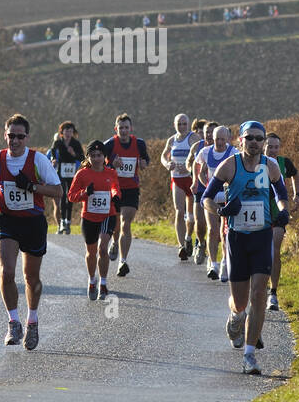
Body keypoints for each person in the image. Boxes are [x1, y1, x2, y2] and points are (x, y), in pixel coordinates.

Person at [202, 120, 289, 375]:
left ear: (264, 142)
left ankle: (249, 355)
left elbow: (282, 196)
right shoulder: (229, 165)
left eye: (259, 138)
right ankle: (236, 317)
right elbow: (205, 197)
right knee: (240, 302)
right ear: (240, 140)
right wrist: (220, 210)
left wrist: (283, 212)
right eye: (249, 137)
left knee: (259, 293)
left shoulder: (270, 166)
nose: (254, 142)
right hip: (237, 238)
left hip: (261, 236)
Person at [0, 114, 64, 349]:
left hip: (32, 222)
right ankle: (13, 322)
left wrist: (32, 186)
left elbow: (58, 191)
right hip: (7, 220)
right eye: (11, 136)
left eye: (20, 136)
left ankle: (32, 321)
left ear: (27, 137)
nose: (15, 140)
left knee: (30, 277)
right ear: (5, 135)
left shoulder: (38, 160)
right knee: (7, 271)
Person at [67, 140, 121, 300]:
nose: (96, 159)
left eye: (99, 155)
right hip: (89, 218)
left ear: (105, 157)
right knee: (91, 253)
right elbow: (71, 196)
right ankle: (92, 280)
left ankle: (103, 283)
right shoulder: (82, 174)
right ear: (88, 157)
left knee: (102, 249)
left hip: (107, 216)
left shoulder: (111, 173)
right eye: (93, 156)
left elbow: (115, 187)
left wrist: (116, 196)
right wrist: (85, 193)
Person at [102, 113, 150, 277]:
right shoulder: (109, 144)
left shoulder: (139, 144)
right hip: (114, 189)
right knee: (115, 225)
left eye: (126, 128)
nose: (123, 130)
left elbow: (145, 160)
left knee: (126, 223)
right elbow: (95, 161)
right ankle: (114, 242)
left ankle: (123, 261)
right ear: (116, 129)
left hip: (131, 189)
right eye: (120, 128)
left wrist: (144, 163)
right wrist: (109, 164)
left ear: (131, 129)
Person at [263, 132, 299, 311]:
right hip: (258, 213)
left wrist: (297, 194)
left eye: (275, 147)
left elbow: (295, 174)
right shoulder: (255, 162)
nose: (272, 150)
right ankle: (258, 288)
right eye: (269, 146)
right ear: (264, 146)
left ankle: (273, 293)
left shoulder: (284, 163)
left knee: (274, 251)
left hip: (277, 213)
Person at [196, 124, 236, 280]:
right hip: (211, 197)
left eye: (222, 139)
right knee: (212, 229)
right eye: (216, 139)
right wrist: (204, 182)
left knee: (224, 231)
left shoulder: (233, 153)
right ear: (212, 139)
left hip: (226, 196)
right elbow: (198, 170)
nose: (219, 142)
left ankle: (225, 262)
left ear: (227, 139)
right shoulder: (205, 152)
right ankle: (213, 264)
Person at [160, 113, 201, 260]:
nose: (182, 127)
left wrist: (189, 168)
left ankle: (189, 238)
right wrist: (167, 164)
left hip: (191, 179)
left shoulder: (194, 138)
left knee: (191, 216)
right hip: (176, 179)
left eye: (184, 124)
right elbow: (163, 156)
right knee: (179, 210)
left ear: (188, 125)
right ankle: (181, 246)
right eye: (179, 124)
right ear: (174, 125)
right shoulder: (172, 140)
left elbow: (201, 156)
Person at [187, 120, 218, 264]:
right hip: (200, 188)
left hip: (218, 191)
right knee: (199, 221)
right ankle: (201, 243)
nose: (210, 135)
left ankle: (214, 255)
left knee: (215, 225)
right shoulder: (197, 147)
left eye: (213, 132)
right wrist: (195, 178)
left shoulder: (225, 149)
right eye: (207, 132)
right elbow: (190, 163)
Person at [47, 121, 84, 234]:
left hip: (72, 171)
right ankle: (62, 221)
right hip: (61, 171)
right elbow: (52, 152)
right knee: (62, 194)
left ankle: (68, 221)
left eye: (70, 131)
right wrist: (53, 159)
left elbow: (82, 157)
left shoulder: (76, 144)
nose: (68, 133)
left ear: (73, 133)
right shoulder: (58, 142)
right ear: (62, 132)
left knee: (70, 196)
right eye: (66, 131)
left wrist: (73, 154)